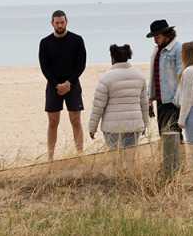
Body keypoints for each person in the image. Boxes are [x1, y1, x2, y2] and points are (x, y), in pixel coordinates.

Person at [39, 10, 86, 161]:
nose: (60, 25)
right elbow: (44, 67)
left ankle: (80, 155)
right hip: (53, 86)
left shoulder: (77, 40)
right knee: (53, 122)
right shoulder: (45, 43)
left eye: (62, 22)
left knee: (76, 120)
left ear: (67, 22)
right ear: (52, 23)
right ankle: (50, 157)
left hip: (72, 84)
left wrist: (68, 83)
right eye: (57, 22)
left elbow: (81, 65)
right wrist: (56, 84)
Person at [89, 44, 149, 150]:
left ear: (112, 58)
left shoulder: (106, 78)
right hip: (134, 125)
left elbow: (98, 106)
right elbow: (144, 104)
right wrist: (145, 123)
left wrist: (92, 128)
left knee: (115, 160)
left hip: (112, 127)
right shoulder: (140, 77)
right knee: (130, 159)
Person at [147, 19, 183, 137]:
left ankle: (178, 156)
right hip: (160, 99)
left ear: (166, 34)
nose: (155, 39)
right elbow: (153, 74)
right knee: (163, 133)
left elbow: (181, 76)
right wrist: (150, 97)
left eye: (157, 36)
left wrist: (177, 100)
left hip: (173, 101)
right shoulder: (157, 49)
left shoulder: (178, 48)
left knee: (174, 134)